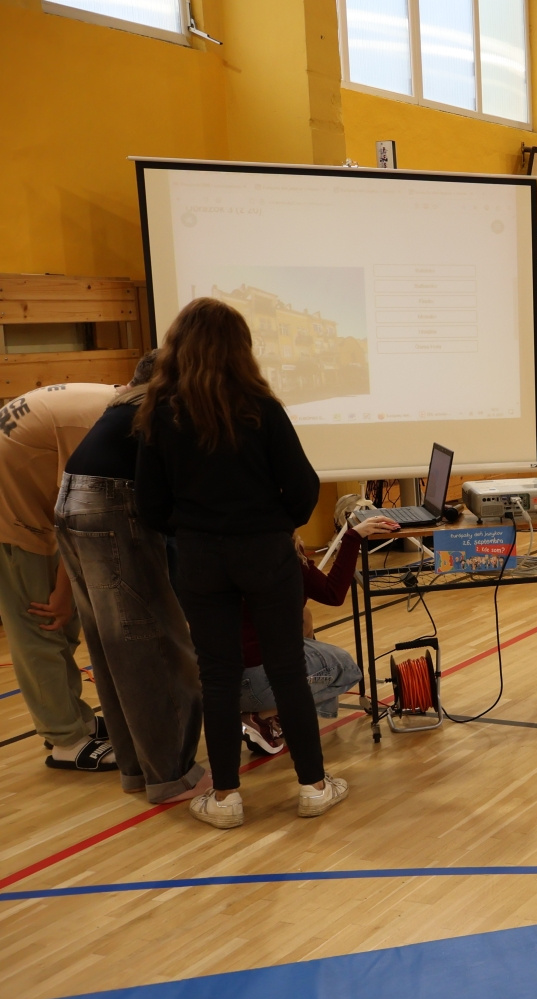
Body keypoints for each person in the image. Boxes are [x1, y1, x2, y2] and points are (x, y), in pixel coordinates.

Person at [134, 296, 343, 829]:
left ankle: (225, 797)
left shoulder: (161, 413)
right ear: (240, 349)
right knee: (288, 669)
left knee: (218, 676)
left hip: (201, 555)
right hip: (265, 551)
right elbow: (304, 489)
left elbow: (149, 507)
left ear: (179, 348)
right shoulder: (260, 408)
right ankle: (314, 787)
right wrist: (274, 523)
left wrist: (193, 529)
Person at [55, 353, 209, 802]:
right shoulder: (162, 408)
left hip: (71, 502)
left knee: (111, 648)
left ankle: (138, 769)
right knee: (154, 645)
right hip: (110, 509)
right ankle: (170, 775)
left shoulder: (121, 406)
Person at [0, 381, 118, 772]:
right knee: (41, 625)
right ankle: (67, 739)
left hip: (29, 503)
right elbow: (77, 517)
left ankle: (72, 719)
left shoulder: (111, 405)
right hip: (11, 518)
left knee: (61, 626)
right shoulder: (97, 427)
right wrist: (64, 594)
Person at [239, 517, 397, 755]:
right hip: (257, 683)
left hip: (221, 684)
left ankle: (272, 715)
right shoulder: (283, 552)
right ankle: (262, 715)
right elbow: (333, 593)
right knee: (347, 670)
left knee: (304, 617)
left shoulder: (227, 551)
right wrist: (353, 537)